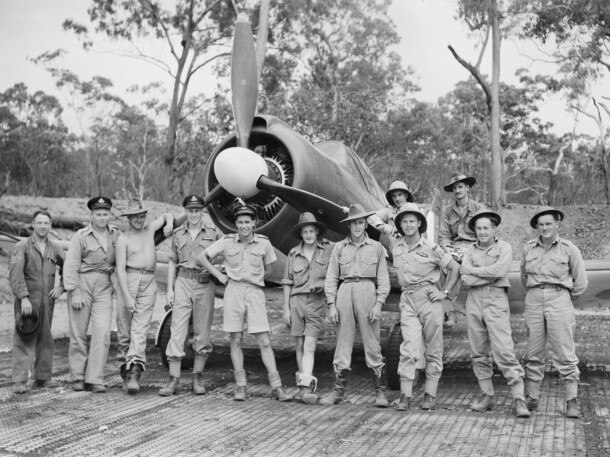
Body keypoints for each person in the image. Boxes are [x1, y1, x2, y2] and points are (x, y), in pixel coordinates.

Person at [196, 204, 291, 402]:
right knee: (236, 340)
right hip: (234, 291)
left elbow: (269, 270)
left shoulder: (264, 243)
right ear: (236, 223)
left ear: (254, 223)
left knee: (264, 341)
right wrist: (219, 277)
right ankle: (241, 386)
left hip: (255, 292)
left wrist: (255, 280)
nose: (244, 226)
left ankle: (277, 387)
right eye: (240, 222)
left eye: (247, 222)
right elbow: (202, 257)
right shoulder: (227, 241)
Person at [460, 208, 530, 418]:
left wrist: (474, 271)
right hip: (474, 301)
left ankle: (519, 399)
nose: (482, 232)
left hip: (496, 300)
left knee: (504, 351)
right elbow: (465, 278)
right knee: (478, 352)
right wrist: (482, 275)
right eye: (479, 228)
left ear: (493, 229)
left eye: (486, 228)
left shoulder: (504, 247)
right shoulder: (469, 251)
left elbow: (501, 271)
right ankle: (487, 396)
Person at [391, 203, 460, 411]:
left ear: (419, 223)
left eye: (412, 220)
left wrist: (444, 293)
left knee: (433, 346)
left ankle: (430, 394)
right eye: (404, 221)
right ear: (400, 224)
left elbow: (455, 268)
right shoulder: (397, 247)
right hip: (408, 299)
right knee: (408, 347)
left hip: (429, 299)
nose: (408, 225)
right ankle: (405, 395)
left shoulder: (431, 248)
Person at [320, 204, 391, 408]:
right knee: (343, 340)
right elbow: (332, 277)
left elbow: (383, 279)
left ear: (365, 224)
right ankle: (338, 392)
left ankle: (379, 392)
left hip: (368, 291)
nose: (358, 227)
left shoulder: (377, 248)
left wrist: (379, 303)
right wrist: (332, 304)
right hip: (345, 291)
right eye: (354, 223)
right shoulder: (339, 247)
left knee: (372, 341)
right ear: (349, 225)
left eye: (361, 222)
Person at [521, 206, 587, 419]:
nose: (544, 228)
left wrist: (561, 295)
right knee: (533, 351)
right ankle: (531, 397)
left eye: (548, 224)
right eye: (540, 225)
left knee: (565, 353)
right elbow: (524, 277)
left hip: (559, 298)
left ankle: (571, 401)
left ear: (557, 225)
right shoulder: (528, 248)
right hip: (533, 299)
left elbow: (581, 283)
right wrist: (537, 292)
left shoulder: (569, 249)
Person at [159, 195, 221, 396]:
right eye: (190, 210)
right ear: (185, 211)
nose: (194, 214)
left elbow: (224, 257)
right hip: (183, 282)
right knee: (177, 329)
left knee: (202, 331)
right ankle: (173, 379)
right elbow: (171, 261)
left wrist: (216, 270)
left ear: (202, 211)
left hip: (204, 284)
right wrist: (170, 289)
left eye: (197, 210)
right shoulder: (178, 234)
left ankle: (197, 377)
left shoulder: (213, 233)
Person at [115, 198, 174, 394]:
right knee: (125, 331)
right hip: (128, 281)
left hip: (149, 279)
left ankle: (134, 373)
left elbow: (167, 215)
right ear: (129, 218)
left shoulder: (150, 229)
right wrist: (127, 296)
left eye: (142, 216)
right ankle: (125, 370)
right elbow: (120, 270)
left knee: (140, 328)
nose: (139, 220)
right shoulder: (123, 239)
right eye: (135, 217)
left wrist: (170, 224)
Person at [64, 197, 121, 392]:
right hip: (82, 283)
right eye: (99, 214)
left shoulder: (116, 235)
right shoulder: (81, 236)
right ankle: (78, 376)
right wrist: (75, 291)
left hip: (104, 286)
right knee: (78, 333)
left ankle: (95, 378)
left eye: (106, 214)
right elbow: (70, 265)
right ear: (92, 215)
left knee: (102, 332)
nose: (102, 218)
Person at [9, 210, 65, 394]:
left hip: (47, 301)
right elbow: (15, 275)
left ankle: (42, 377)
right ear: (33, 224)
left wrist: (62, 286)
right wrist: (24, 297)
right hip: (27, 301)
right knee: (25, 337)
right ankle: (19, 380)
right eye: (39, 223)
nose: (43, 226)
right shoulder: (22, 246)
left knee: (45, 337)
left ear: (50, 225)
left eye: (46, 223)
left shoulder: (55, 247)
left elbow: (68, 267)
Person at [282, 212, 334, 404]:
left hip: (316, 302)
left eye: (312, 231)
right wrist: (286, 309)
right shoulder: (293, 253)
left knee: (310, 345)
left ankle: (305, 387)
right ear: (301, 234)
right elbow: (287, 282)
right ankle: (304, 386)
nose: (309, 235)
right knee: (299, 345)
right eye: (305, 232)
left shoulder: (328, 249)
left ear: (317, 232)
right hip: (296, 302)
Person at [438, 172, 485, 325]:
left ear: (467, 188)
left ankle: (451, 309)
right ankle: (447, 311)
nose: (457, 191)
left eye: (460, 187)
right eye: (454, 188)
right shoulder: (447, 211)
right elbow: (444, 236)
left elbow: (486, 235)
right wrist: (446, 248)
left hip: (474, 248)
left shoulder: (479, 209)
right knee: (441, 268)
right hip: (453, 248)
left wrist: (472, 250)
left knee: (458, 267)